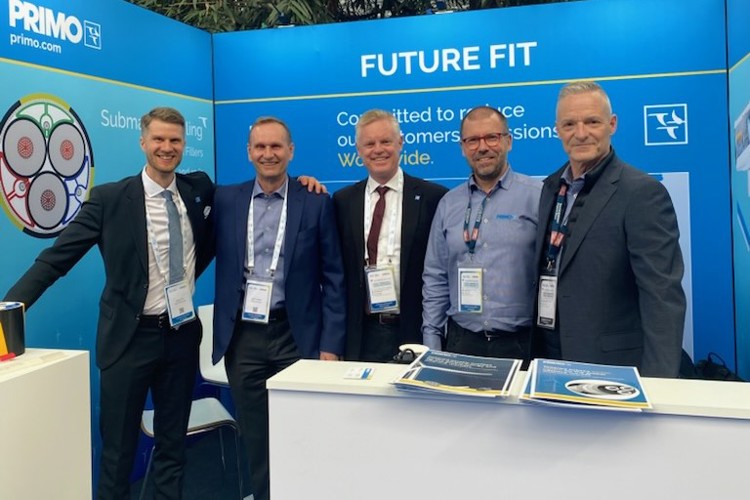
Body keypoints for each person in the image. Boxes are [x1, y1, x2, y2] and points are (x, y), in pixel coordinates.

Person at [3, 107, 214, 499]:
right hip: (128, 341)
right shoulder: (109, 199)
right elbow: (55, 260)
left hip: (182, 338)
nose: (166, 147)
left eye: (175, 140)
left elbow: (233, 216)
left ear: (184, 144)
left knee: (173, 448)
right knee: (118, 454)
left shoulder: (197, 189)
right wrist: (8, 311)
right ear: (143, 142)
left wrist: (302, 184)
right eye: (158, 139)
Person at [212, 116, 346, 500]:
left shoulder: (315, 201)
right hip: (243, 339)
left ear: (291, 151)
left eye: (276, 146)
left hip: (296, 336)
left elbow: (334, 277)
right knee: (256, 439)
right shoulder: (225, 200)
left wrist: (331, 345)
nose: (268, 154)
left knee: (304, 434)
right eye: (260, 147)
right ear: (248, 152)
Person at [532, 80, 686, 378]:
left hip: (612, 367)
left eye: (592, 122)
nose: (580, 133)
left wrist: (660, 383)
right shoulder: (551, 187)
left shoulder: (641, 193)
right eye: (569, 124)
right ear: (557, 130)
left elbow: (662, 295)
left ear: (612, 124)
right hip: (549, 356)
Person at [422, 106, 541, 358]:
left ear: (508, 141)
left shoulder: (538, 196)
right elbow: (435, 277)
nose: (482, 147)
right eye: (473, 140)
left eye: (491, 137)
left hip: (522, 343)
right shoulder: (448, 204)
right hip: (462, 341)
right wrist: (432, 342)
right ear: (463, 147)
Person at [333, 109, 447, 362]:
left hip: (414, 330)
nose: (378, 150)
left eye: (385, 141)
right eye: (369, 144)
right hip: (361, 334)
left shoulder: (433, 198)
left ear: (400, 143)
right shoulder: (342, 201)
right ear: (358, 150)